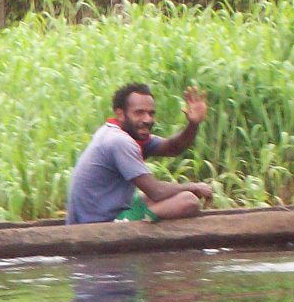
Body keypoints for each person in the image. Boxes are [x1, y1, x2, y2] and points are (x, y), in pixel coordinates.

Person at [66, 83, 213, 224]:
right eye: (139, 113)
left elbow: (173, 148)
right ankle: (127, 224)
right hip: (96, 224)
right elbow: (156, 191)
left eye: (151, 113)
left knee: (160, 198)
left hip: (102, 212)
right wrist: (194, 187)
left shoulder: (120, 133)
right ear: (120, 114)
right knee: (188, 200)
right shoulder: (118, 141)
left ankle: (135, 219)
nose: (148, 119)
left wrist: (193, 124)